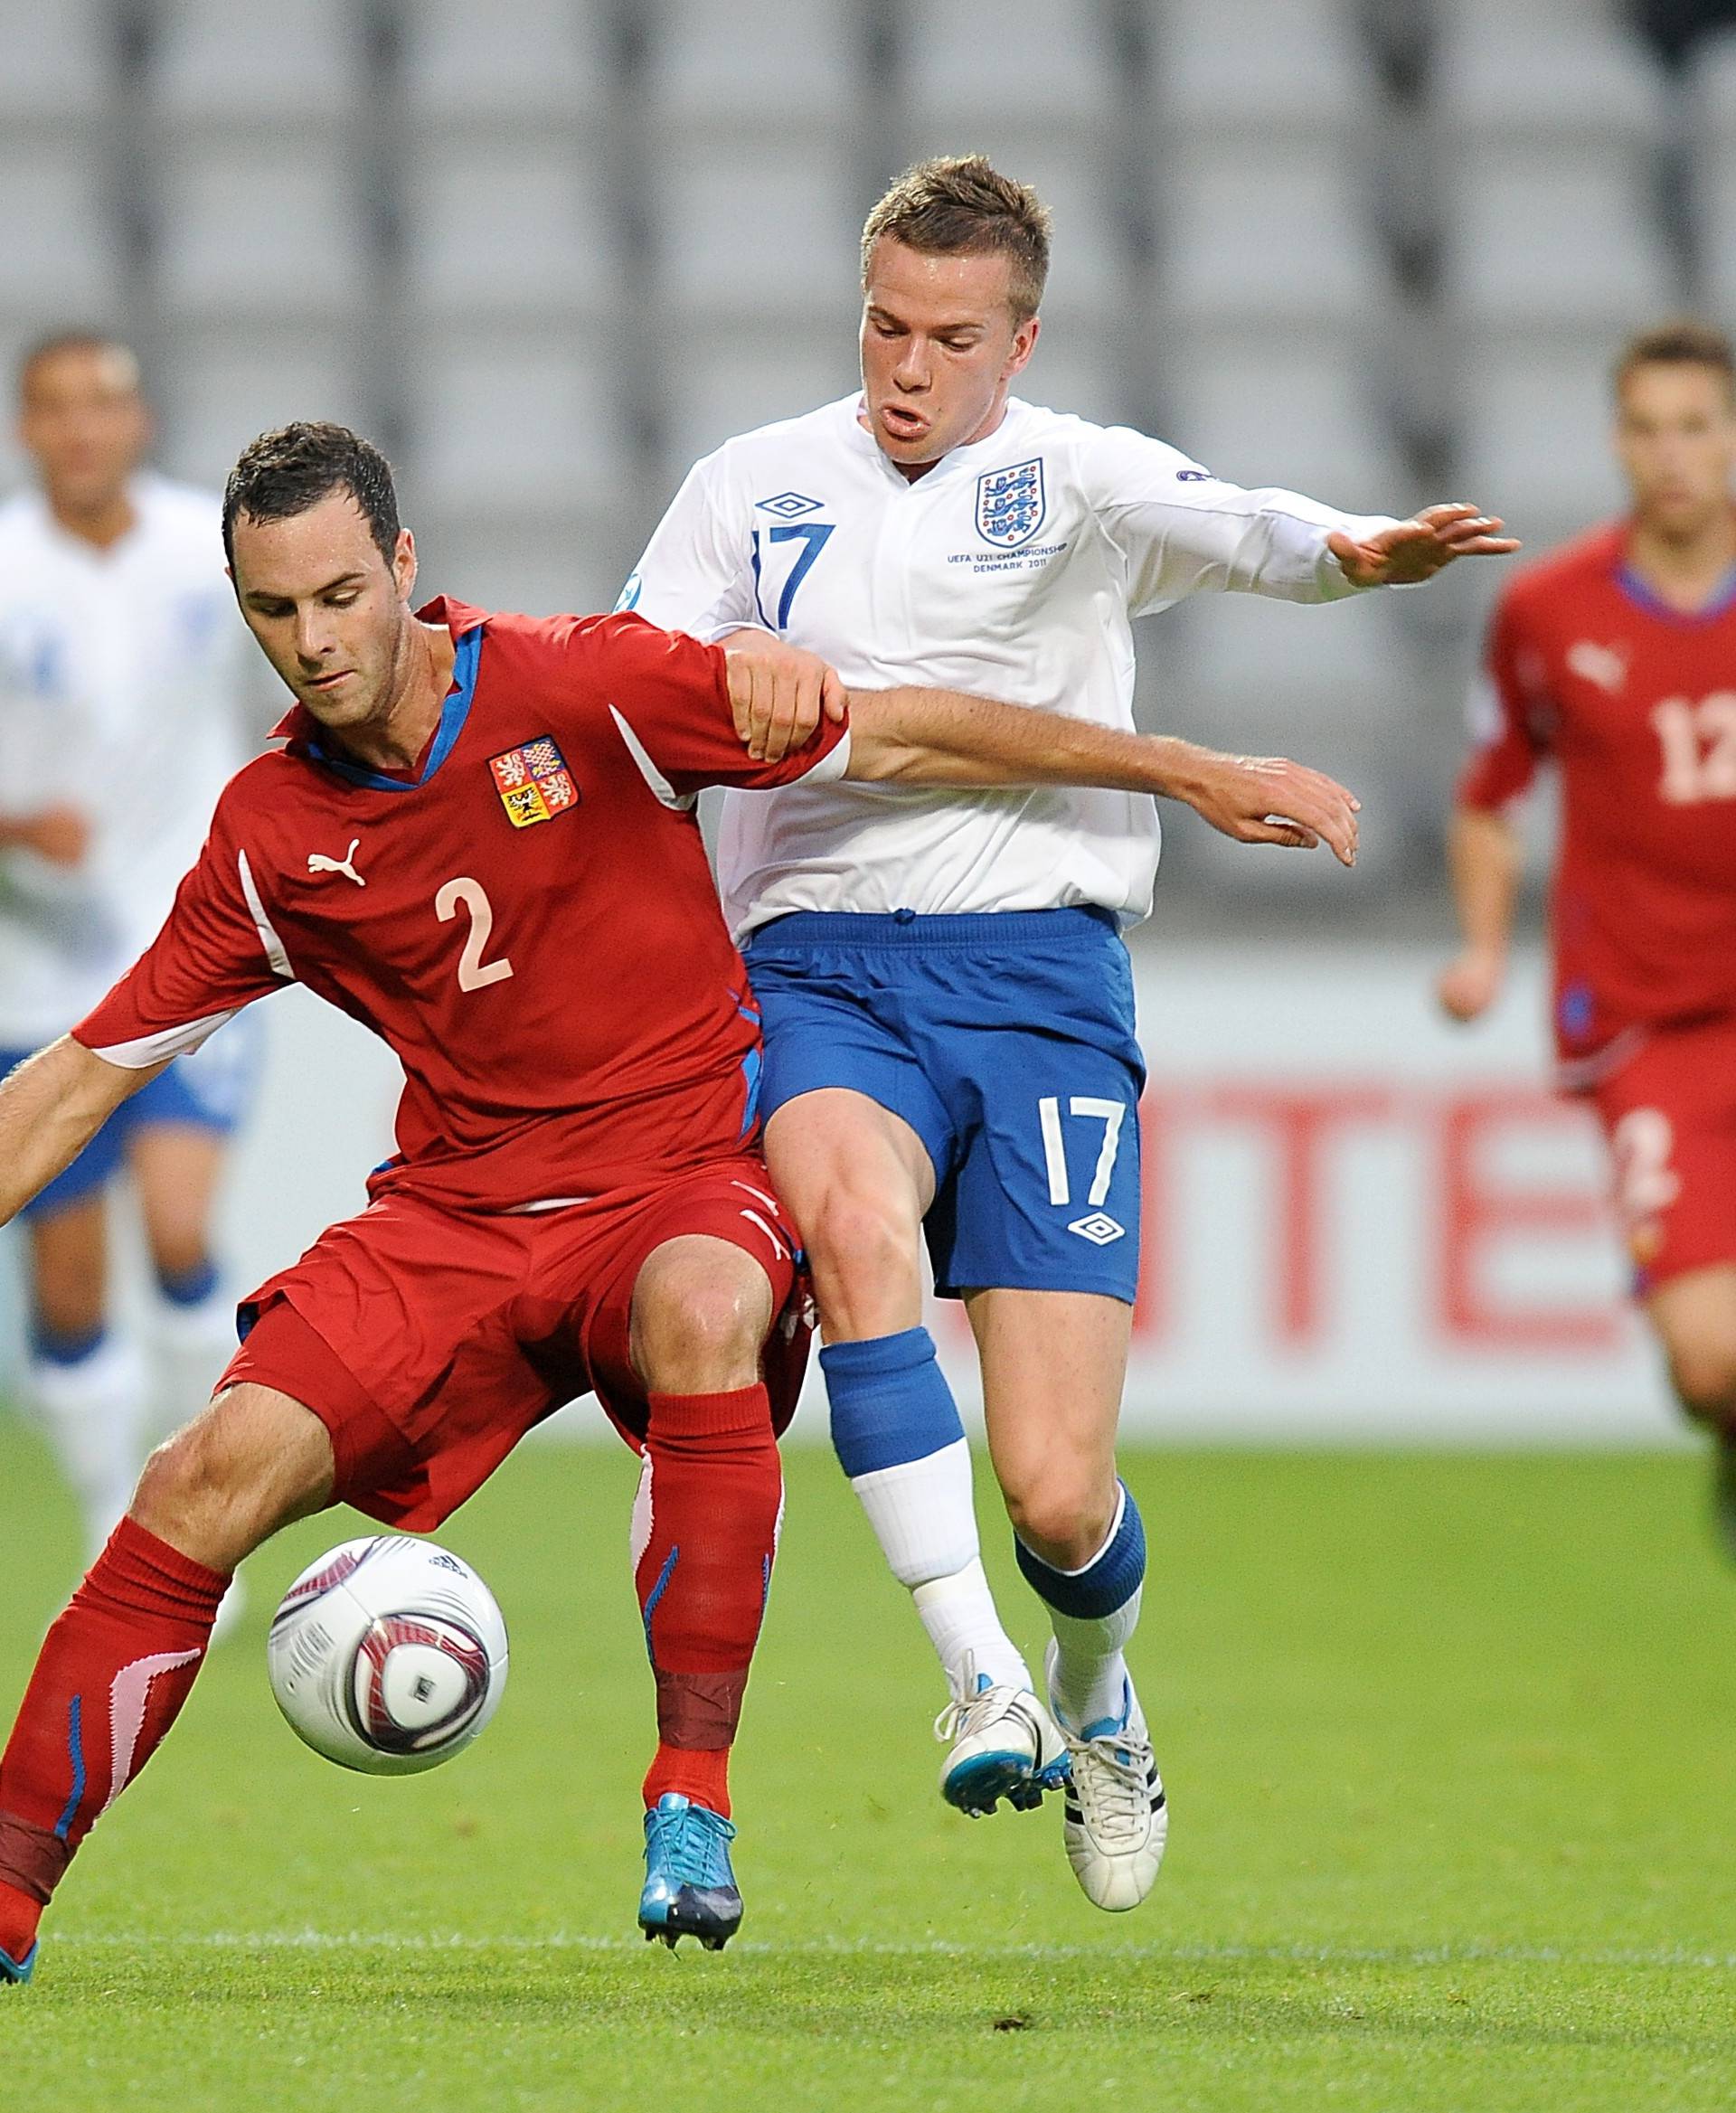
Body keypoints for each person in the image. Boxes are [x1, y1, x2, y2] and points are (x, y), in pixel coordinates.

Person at [0, 420, 1367, 1986]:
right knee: (200, 1478)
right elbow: (78, 1077)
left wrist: (1178, 769)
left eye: (335, 595)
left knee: (708, 1306)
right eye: (271, 611)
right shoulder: (271, 836)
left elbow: (902, 734)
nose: (311, 642)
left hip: (682, 1175)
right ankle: (7, 1884)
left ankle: (693, 1800)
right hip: (458, 1214)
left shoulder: (581, 689)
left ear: (403, 568)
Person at [625, 153, 1518, 1914]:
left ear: (1018, 342)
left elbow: (1250, 523)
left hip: (1039, 981)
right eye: (885, 323)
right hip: (816, 966)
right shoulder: (749, 486)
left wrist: (1355, 550)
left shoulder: (1076, 476)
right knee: (855, 1233)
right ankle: (980, 1672)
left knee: (1056, 1486)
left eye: (950, 336)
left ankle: (1098, 1689)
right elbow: (644, 681)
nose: (906, 365)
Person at [1439, 318, 1736, 1542]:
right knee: (1709, 1364)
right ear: (1619, 440)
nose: (1672, 455)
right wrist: (1482, 947)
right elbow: (1491, 799)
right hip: (1645, 1018)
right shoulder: (1548, 613)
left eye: (1697, 427)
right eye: (1649, 428)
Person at [0, 333, 254, 1569]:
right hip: (36, 968)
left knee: (179, 1224)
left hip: (193, 942)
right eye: (59, 409)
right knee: (67, 1285)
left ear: (137, 418)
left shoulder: (203, 554)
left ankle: (212, 1500)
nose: (84, 428)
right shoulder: (3, 568)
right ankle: (115, 1517)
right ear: (27, 429)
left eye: (105, 402)